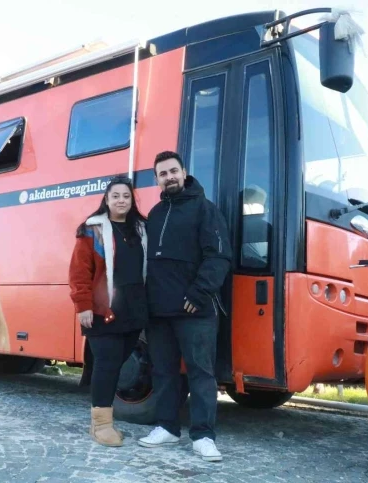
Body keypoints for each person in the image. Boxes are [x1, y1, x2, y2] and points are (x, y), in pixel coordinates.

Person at [137, 151, 232, 462]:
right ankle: (167, 427)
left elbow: (218, 257)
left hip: (195, 310)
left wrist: (199, 293)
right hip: (159, 312)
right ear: (157, 180)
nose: (169, 177)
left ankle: (203, 436)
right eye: (163, 174)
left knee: (201, 373)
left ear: (184, 172)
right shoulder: (154, 214)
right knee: (163, 372)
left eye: (173, 171)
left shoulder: (206, 209)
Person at [68, 176, 148, 447]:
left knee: (116, 364)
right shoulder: (92, 230)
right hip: (103, 310)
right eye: (116, 196)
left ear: (132, 199)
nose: (121, 201)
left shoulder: (142, 229)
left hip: (134, 310)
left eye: (126, 196)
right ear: (106, 199)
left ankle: (101, 422)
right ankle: (101, 426)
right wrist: (83, 306)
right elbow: (79, 272)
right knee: (106, 364)